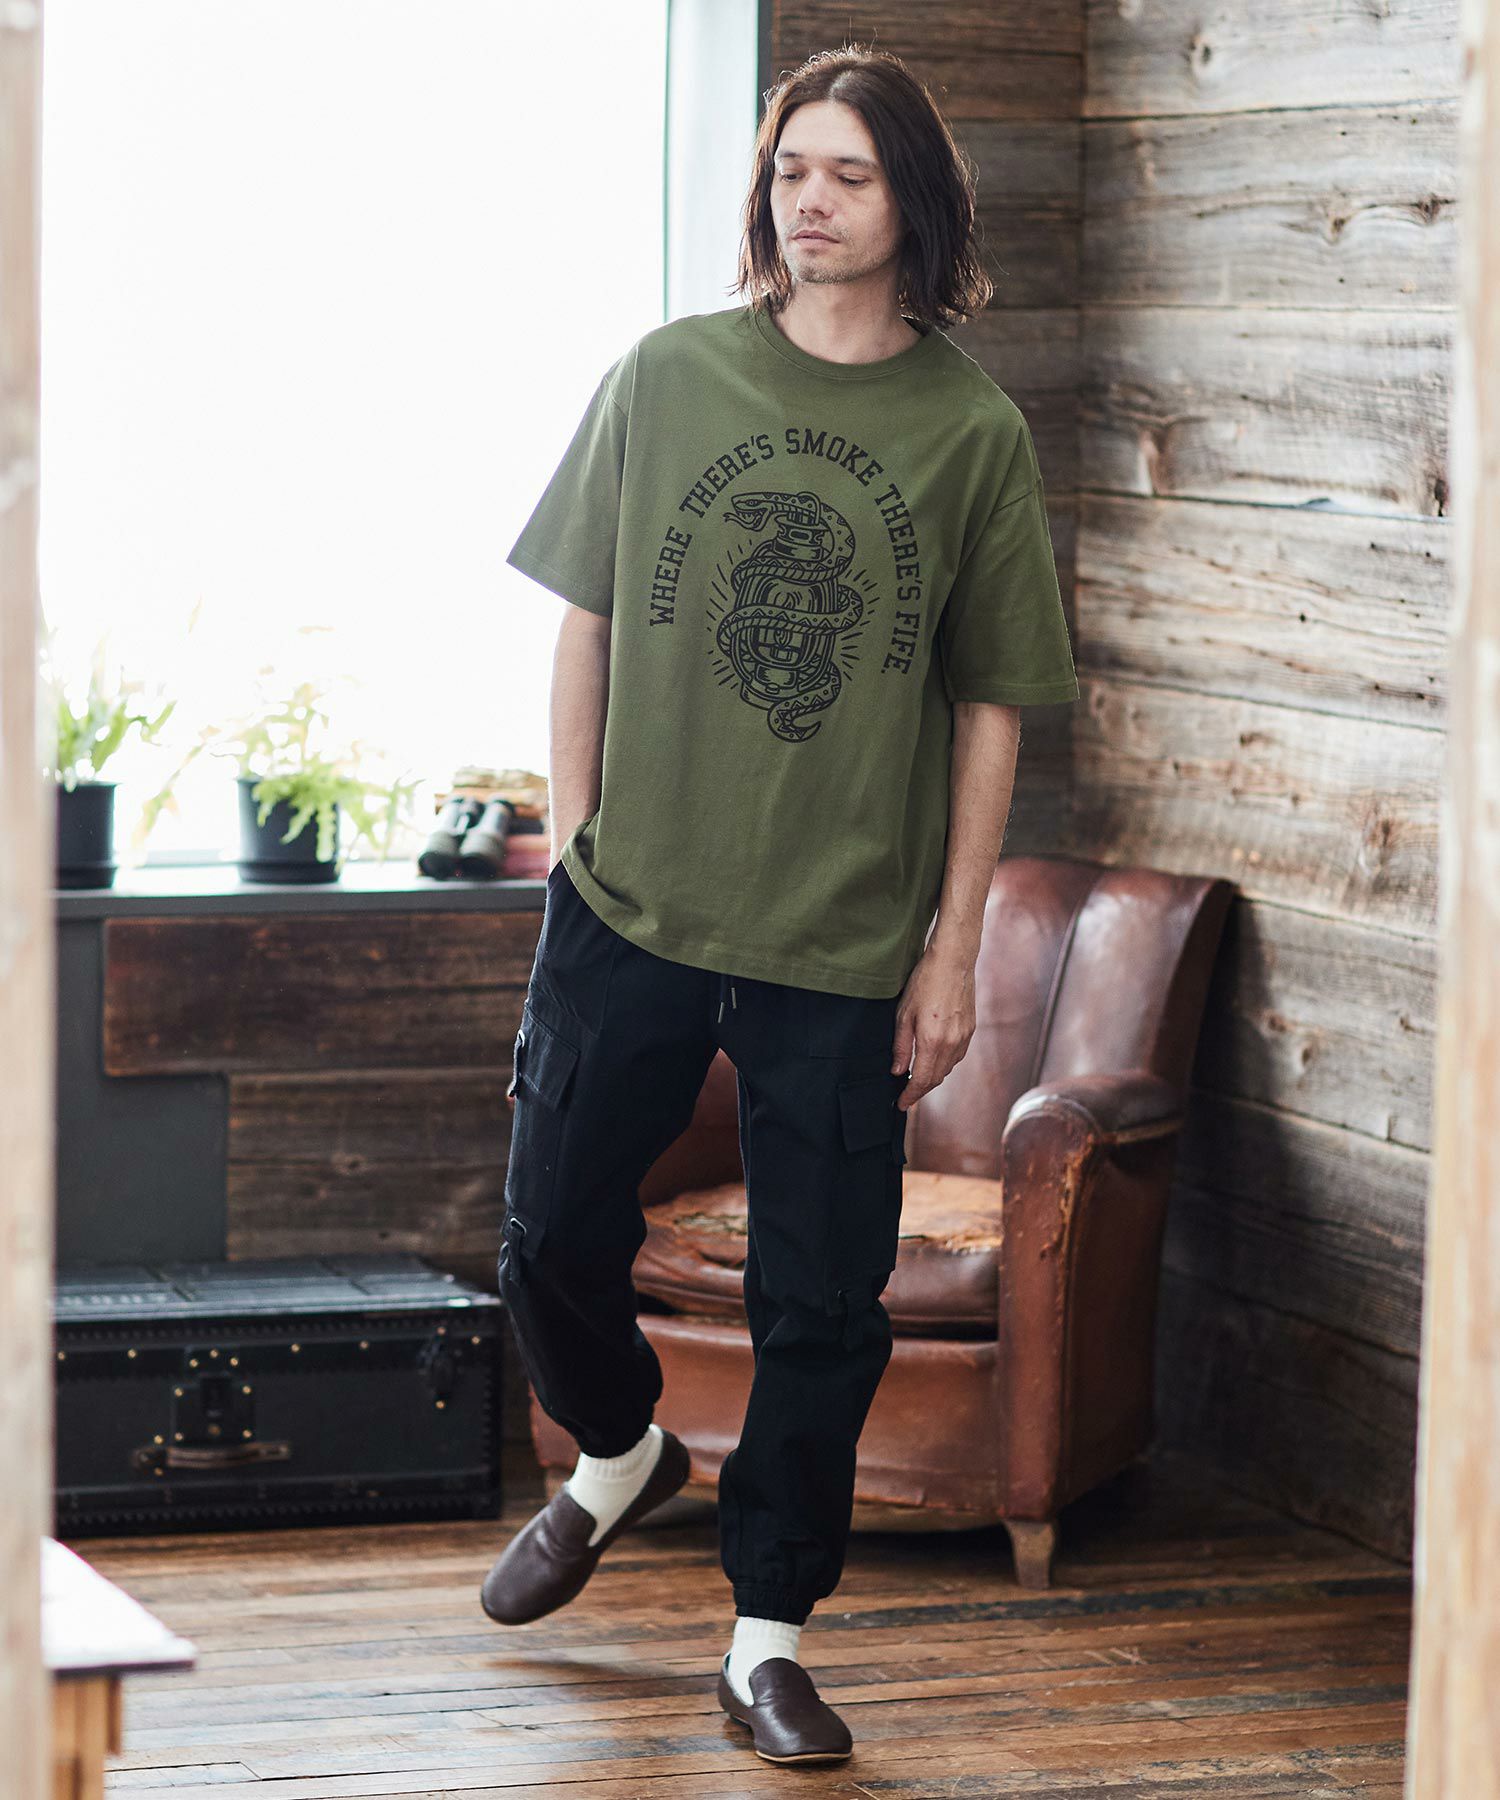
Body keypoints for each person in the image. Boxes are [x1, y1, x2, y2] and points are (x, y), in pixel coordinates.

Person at [480, 42, 1079, 1766]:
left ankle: (765, 1642)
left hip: (843, 941)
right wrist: (577, 834)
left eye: (848, 176)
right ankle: (620, 1455)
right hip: (632, 905)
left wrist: (952, 949)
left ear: (914, 204)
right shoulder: (668, 376)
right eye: (790, 170)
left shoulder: (969, 432)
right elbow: (588, 613)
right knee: (548, 1233)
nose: (809, 202)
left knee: (823, 1305)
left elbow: (989, 705)